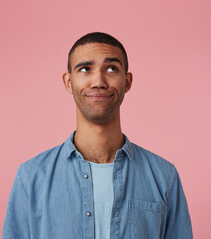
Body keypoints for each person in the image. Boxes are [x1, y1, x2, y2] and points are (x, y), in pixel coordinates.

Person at [2, 32, 193, 239]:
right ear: (68, 82)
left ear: (127, 81)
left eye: (111, 69)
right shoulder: (31, 177)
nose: (99, 82)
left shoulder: (164, 177)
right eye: (85, 69)